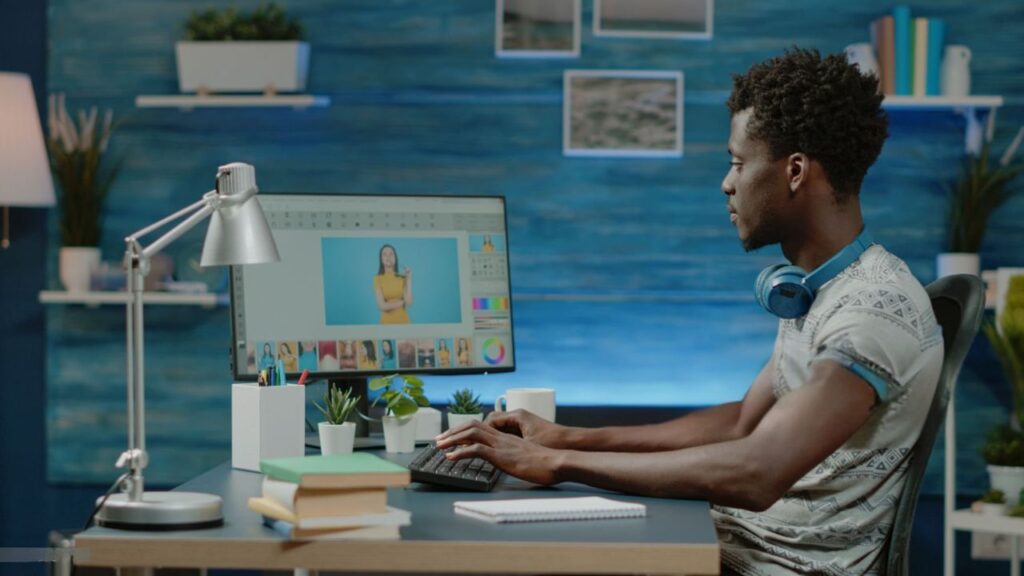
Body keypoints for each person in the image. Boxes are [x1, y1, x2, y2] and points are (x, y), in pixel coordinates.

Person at [436, 48, 944, 575]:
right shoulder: (819, 292)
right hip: (733, 544)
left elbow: (757, 470)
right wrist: (567, 437)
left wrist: (557, 463)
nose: (727, 183)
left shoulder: (872, 312)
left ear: (795, 171)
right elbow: (742, 424)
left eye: (739, 163)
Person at [374, 244, 413, 324]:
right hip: (386, 323)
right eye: (384, 254)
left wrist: (409, 278)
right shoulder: (378, 279)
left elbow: (409, 301)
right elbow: (382, 306)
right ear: (381, 259)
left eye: (391, 254)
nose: (388, 256)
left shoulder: (402, 278)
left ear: (395, 257)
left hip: (403, 321)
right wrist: (402, 302)